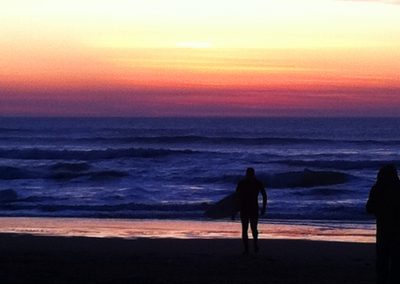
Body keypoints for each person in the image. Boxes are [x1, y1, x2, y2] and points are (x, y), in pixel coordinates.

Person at [366, 164, 400, 284]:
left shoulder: (377, 188)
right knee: (396, 261)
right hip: (397, 229)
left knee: (382, 260)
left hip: (383, 228)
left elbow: (369, 208)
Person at [235, 167, 267, 255]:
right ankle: (254, 245)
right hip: (252, 208)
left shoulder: (242, 183)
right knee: (253, 228)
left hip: (245, 208)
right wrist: (263, 208)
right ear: (253, 174)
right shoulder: (257, 183)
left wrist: (234, 211)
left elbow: (236, 198)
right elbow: (264, 195)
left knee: (246, 229)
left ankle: (248, 249)